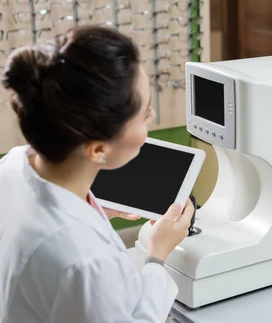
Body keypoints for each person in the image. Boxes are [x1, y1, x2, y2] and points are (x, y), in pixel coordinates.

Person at [0, 26, 195, 323]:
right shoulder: (85, 261)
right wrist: (157, 255)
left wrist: (97, 212)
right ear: (97, 149)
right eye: (144, 114)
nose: (153, 118)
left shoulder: (14, 164)